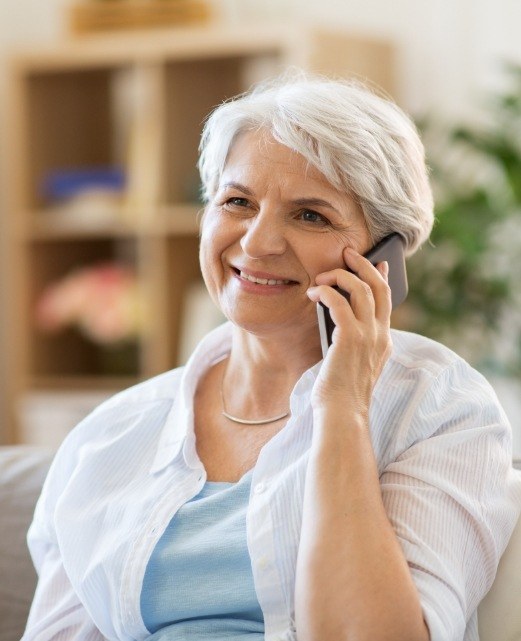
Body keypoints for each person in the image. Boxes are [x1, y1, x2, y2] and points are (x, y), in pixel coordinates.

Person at [22, 73, 521, 641]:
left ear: (384, 257)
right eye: (237, 201)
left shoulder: (437, 408)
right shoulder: (109, 436)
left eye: (311, 215)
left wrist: (342, 408)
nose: (258, 243)